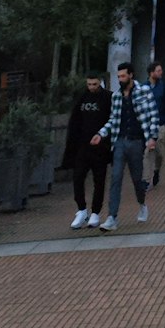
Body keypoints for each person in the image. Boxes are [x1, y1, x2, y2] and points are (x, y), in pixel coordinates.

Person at [92, 62, 160, 233]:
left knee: (137, 179)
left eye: (123, 76)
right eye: (119, 76)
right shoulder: (116, 97)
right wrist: (101, 134)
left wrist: (152, 137)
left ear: (131, 75)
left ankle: (142, 204)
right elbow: (113, 119)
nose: (120, 79)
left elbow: (153, 115)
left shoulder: (144, 92)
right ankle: (112, 217)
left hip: (137, 141)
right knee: (115, 178)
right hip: (120, 141)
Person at [64, 73, 111, 229]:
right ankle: (82, 209)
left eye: (95, 84)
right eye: (89, 84)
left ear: (100, 83)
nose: (91, 87)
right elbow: (75, 121)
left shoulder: (107, 98)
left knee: (99, 180)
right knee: (78, 177)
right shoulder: (82, 98)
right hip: (82, 146)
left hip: (100, 148)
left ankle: (95, 212)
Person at [145, 60, 165, 188]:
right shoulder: (143, 87)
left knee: (159, 152)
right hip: (147, 125)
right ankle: (147, 179)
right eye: (158, 71)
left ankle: (157, 170)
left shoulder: (163, 86)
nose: (161, 73)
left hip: (160, 123)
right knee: (147, 152)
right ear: (151, 73)